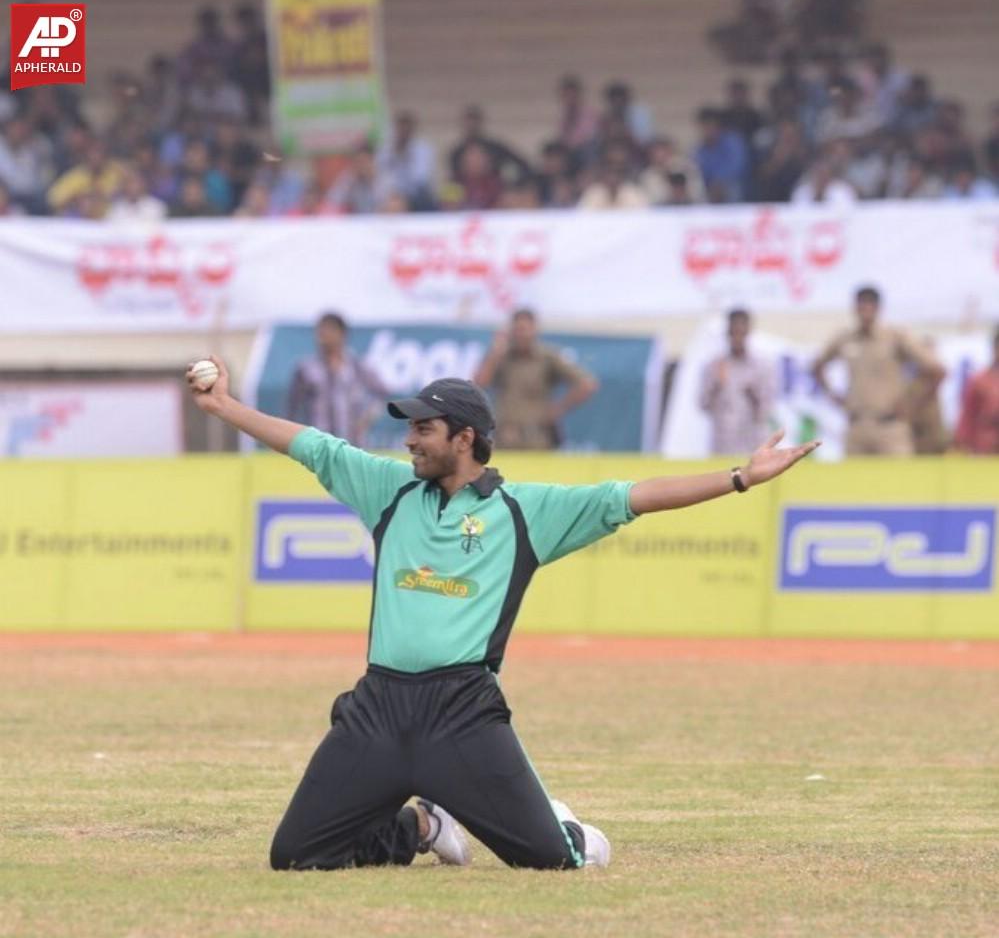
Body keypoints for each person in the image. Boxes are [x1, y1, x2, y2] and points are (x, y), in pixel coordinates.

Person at [186, 358, 819, 872]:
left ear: (464, 438)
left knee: (553, 861)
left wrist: (740, 477)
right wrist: (222, 407)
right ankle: (426, 824)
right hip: (378, 706)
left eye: (423, 429)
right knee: (295, 855)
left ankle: (568, 825)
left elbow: (637, 497)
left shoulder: (524, 511)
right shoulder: (390, 489)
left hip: (461, 712)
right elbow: (311, 446)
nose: (408, 440)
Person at [812, 286, 945, 456]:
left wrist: (911, 401)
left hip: (890, 427)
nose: (865, 312)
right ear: (855, 308)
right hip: (856, 426)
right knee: (852, 481)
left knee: (899, 481)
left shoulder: (894, 337)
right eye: (862, 306)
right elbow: (817, 366)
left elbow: (935, 370)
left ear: (878, 308)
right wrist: (834, 396)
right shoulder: (846, 338)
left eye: (870, 306)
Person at [474, 308, 598, 450]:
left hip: (537, 438)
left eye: (525, 329)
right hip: (505, 437)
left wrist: (558, 409)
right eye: (518, 329)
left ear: (535, 330)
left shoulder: (547, 357)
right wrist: (495, 353)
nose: (522, 334)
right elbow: (479, 385)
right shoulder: (501, 357)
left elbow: (587, 384)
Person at [286, 313, 389, 445]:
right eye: (320, 331)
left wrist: (366, 420)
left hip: (352, 443)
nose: (323, 336)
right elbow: (292, 408)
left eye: (329, 330)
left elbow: (383, 394)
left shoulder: (357, 366)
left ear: (342, 334)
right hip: (318, 444)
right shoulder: (306, 368)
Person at [700, 309, 777, 455]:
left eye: (741, 332)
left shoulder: (762, 367)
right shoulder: (715, 366)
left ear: (748, 332)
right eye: (733, 332)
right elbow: (703, 405)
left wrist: (753, 394)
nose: (737, 338)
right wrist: (716, 386)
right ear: (727, 333)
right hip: (723, 444)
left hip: (753, 443)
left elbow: (767, 410)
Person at [954, 327, 999, 455]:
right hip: (986, 444)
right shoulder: (978, 380)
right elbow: (968, 414)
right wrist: (962, 444)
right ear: (994, 349)